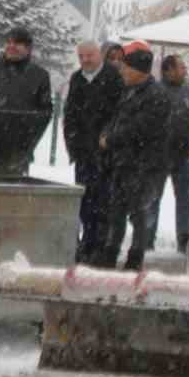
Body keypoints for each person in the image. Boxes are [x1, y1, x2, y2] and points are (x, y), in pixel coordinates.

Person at [94, 47, 170, 270]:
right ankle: (110, 253)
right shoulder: (129, 90)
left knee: (138, 213)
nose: (123, 72)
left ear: (140, 70)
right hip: (123, 162)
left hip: (144, 164)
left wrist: (112, 139)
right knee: (116, 211)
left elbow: (140, 129)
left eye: (127, 68)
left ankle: (135, 257)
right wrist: (107, 133)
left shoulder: (155, 95)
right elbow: (117, 118)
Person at [63, 40, 125, 262]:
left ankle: (100, 245)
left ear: (99, 54)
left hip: (106, 153)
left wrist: (107, 139)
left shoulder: (113, 78)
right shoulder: (77, 79)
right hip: (83, 153)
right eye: (81, 56)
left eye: (89, 55)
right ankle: (86, 242)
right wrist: (73, 144)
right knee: (85, 201)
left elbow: (118, 114)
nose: (85, 60)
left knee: (103, 202)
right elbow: (70, 114)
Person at [145, 54, 189, 251]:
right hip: (158, 157)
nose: (185, 71)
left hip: (183, 157)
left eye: (184, 67)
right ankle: (147, 239)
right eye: (181, 67)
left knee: (184, 200)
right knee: (152, 200)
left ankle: (183, 240)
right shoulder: (154, 92)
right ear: (168, 70)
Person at [0, 26, 53, 114]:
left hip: (23, 127)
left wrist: (29, 124)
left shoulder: (40, 75)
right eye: (9, 42)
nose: (11, 46)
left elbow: (44, 112)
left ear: (28, 48)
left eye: (17, 43)